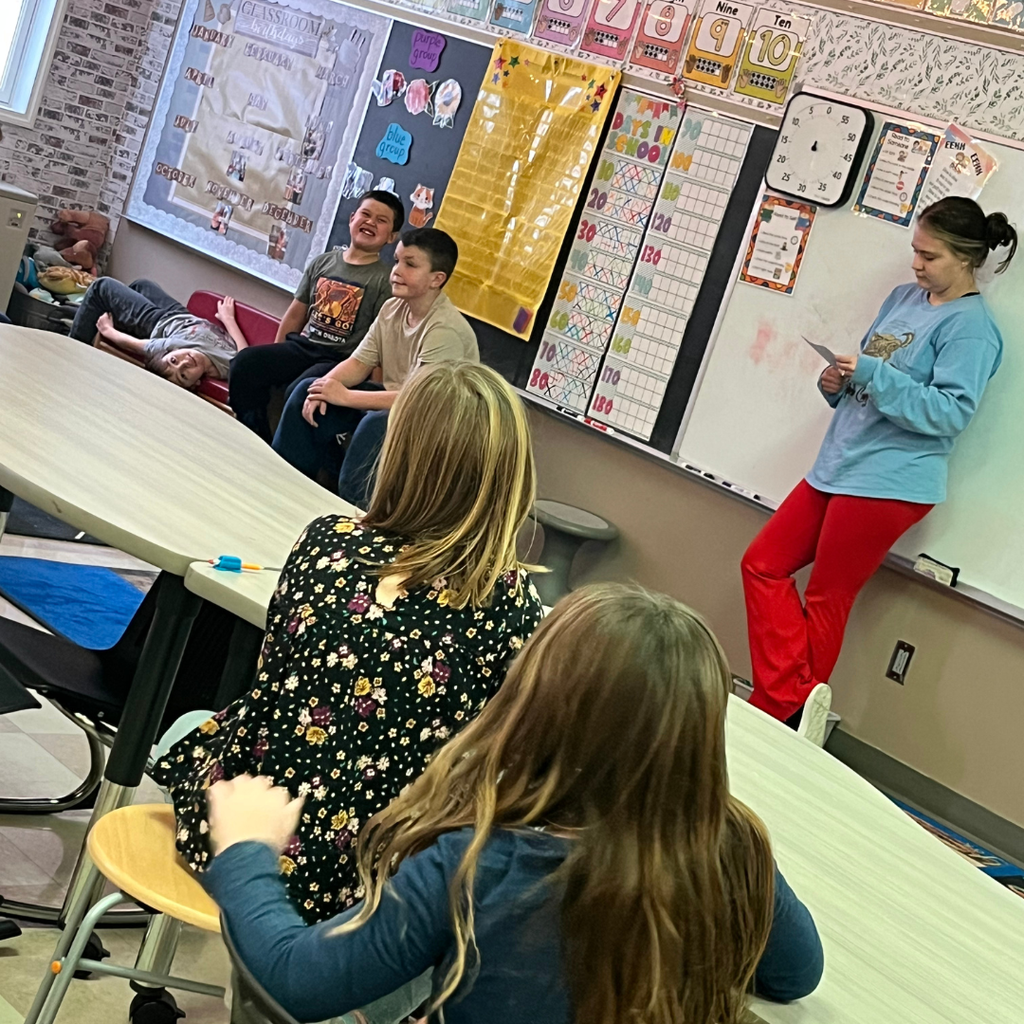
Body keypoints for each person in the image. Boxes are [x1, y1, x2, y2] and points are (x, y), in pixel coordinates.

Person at [202, 584, 825, 1024]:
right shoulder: (731, 846)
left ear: (540, 701)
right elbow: (797, 975)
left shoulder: (477, 863)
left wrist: (246, 851)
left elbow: (295, 980)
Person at [151, 361, 543, 931]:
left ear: (398, 450)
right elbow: (492, 765)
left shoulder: (327, 539)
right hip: (360, 883)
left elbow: (270, 680)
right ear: (511, 472)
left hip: (232, 820)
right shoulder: (511, 607)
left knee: (194, 726)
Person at [742, 197, 1018, 724]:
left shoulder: (973, 330)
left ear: (965, 258)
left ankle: (780, 712)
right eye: (915, 251)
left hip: (889, 481)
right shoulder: (901, 298)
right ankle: (793, 702)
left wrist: (875, 375)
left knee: (827, 597)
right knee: (762, 564)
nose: (916, 265)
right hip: (840, 462)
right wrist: (836, 384)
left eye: (929, 256)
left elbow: (950, 413)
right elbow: (868, 378)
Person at [272, 227, 478, 507]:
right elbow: (359, 362)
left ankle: (355, 514)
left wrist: (344, 396)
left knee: (375, 425)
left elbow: (417, 400)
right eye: (396, 260)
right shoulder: (391, 309)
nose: (396, 270)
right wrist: (324, 388)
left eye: (410, 264)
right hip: (394, 403)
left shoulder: (445, 329)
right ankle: (285, 493)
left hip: (434, 422)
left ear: (436, 279)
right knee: (305, 392)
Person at [229, 190, 405, 440]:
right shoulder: (323, 262)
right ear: (353, 218)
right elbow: (294, 316)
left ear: (392, 237)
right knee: (244, 363)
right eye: (365, 214)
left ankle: (281, 450)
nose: (370, 222)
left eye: (381, 220)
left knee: (298, 390)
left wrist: (374, 389)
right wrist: (277, 355)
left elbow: (380, 344)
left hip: (339, 360)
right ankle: (254, 432)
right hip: (303, 347)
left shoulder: (384, 281)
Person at [69, 278, 247, 389]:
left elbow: (139, 346)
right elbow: (245, 355)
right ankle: (91, 316)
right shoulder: (227, 368)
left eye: (175, 362)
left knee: (102, 287)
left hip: (157, 323)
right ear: (196, 382)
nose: (184, 363)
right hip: (182, 316)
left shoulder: (172, 347)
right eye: (183, 373)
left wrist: (108, 330)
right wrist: (228, 319)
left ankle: (69, 354)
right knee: (141, 285)